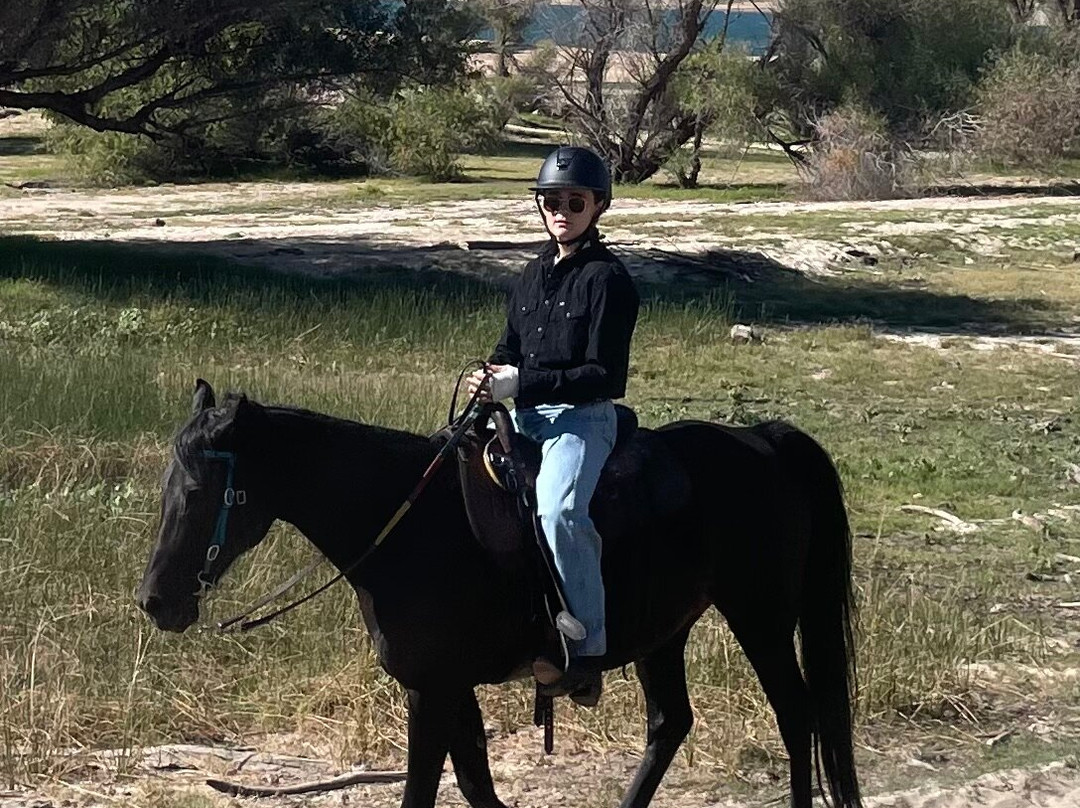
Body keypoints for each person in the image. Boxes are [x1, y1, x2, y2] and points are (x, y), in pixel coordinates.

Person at [467, 146, 639, 705]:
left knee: (561, 512)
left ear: (597, 206)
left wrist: (526, 385)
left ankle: (588, 653)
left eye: (573, 201)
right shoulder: (529, 275)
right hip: (523, 416)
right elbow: (508, 346)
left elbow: (604, 376)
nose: (561, 211)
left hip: (581, 420)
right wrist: (490, 376)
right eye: (551, 201)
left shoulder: (609, 281)